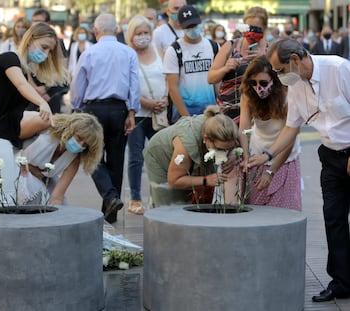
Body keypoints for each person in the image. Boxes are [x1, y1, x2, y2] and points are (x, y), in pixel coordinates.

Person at [248, 38, 350, 302]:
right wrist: (267, 157)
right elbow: (291, 128)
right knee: (333, 219)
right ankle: (341, 281)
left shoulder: (339, 69)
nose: (278, 77)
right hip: (330, 156)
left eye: (279, 70)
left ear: (294, 59)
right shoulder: (296, 88)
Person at [0, 22, 62, 205]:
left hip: (6, 140)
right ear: (30, 39)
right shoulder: (9, 59)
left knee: (15, 199)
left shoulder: (24, 69)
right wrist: (42, 102)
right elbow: (21, 86)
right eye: (44, 47)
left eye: (49, 51)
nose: (45, 54)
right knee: (6, 200)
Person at [70, 13, 140, 223]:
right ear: (117, 29)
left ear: (95, 31)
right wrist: (132, 112)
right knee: (116, 158)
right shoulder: (128, 52)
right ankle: (111, 211)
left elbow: (77, 85)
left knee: (92, 156)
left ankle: (110, 197)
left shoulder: (90, 53)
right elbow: (134, 84)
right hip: (119, 108)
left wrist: (76, 108)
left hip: (94, 110)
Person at [238, 55, 301, 210]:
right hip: (257, 157)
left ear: (275, 80)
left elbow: (290, 139)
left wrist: (271, 171)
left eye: (263, 83)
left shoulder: (288, 97)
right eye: (254, 83)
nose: (258, 87)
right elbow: (244, 127)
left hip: (284, 160)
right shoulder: (248, 95)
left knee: (283, 213)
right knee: (255, 213)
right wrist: (245, 156)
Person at [144, 106, 238, 208]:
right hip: (159, 157)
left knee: (194, 201)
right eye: (220, 149)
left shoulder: (226, 129)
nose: (224, 153)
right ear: (206, 139)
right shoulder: (187, 145)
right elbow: (174, 180)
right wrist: (206, 180)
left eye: (228, 148)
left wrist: (233, 156)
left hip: (191, 151)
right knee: (171, 205)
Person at [125, 15, 167, 215]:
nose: (142, 37)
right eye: (138, 34)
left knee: (162, 155)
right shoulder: (128, 55)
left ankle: (160, 196)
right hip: (138, 114)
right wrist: (148, 103)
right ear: (131, 36)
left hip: (161, 114)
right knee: (136, 157)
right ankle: (135, 198)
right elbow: (128, 86)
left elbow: (169, 77)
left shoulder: (159, 50)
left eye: (145, 33)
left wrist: (165, 99)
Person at [19, 112, 103, 205]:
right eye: (79, 138)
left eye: (85, 144)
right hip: (14, 165)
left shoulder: (74, 159)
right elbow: (12, 139)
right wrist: (29, 167)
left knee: (62, 206)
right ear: (71, 129)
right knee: (32, 196)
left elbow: (57, 196)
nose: (80, 145)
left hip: (39, 178)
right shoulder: (46, 125)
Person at [207, 6, 268, 124]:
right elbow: (210, 78)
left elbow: (281, 83)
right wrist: (225, 68)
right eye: (249, 28)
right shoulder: (231, 46)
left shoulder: (270, 50)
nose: (252, 32)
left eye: (257, 29)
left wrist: (265, 61)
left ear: (264, 28)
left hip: (259, 113)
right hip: (228, 113)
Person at [164, 5, 218, 123]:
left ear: (200, 20)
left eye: (194, 25)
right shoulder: (174, 50)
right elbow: (173, 88)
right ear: (181, 26)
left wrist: (220, 109)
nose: (192, 29)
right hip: (184, 114)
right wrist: (187, 118)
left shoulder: (213, 47)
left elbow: (218, 82)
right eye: (188, 27)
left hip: (211, 112)